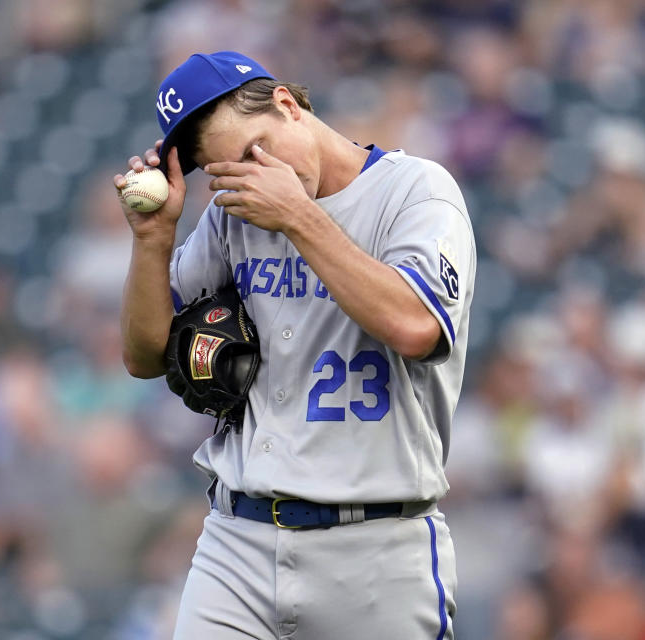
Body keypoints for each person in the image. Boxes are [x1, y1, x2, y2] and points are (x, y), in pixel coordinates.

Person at [116, 51, 475, 639]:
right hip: (238, 539)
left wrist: (300, 219)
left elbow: (417, 327)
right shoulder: (236, 213)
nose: (251, 176)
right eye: (227, 170)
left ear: (288, 103)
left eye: (257, 150)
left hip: (377, 549)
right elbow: (144, 355)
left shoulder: (416, 192)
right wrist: (153, 241)